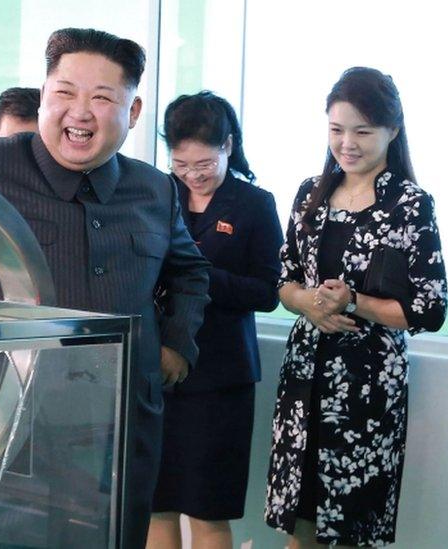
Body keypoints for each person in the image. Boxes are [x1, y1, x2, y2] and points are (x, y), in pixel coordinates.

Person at [0, 27, 210, 547]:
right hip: (9, 424)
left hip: (120, 431)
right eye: (65, 93)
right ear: (46, 94)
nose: (80, 112)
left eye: (102, 97)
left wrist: (176, 343)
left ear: (133, 111)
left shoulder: (155, 188)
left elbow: (189, 271)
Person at [264, 67, 447, 548]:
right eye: (336, 130)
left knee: (350, 531)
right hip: (305, 380)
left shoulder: (410, 204)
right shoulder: (310, 193)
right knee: (300, 525)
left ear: (393, 130)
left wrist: (354, 302)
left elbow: (428, 309)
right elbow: (283, 280)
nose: (347, 143)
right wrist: (306, 302)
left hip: (367, 391)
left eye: (362, 131)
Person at [146, 92, 283, 549]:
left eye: (203, 163)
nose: (192, 175)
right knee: (154, 504)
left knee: (208, 509)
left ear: (227, 145)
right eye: (181, 164)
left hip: (222, 375)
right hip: (158, 366)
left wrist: (200, 275)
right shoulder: (157, 192)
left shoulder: (254, 204)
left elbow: (268, 292)